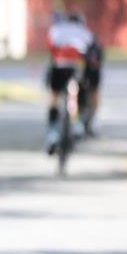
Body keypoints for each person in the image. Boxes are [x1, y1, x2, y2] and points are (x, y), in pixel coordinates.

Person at [44, 9, 94, 154]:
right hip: (75, 66)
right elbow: (90, 49)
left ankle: (52, 133)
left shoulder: (57, 29)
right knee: (75, 91)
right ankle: (77, 123)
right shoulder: (84, 31)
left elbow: (51, 47)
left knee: (54, 96)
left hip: (59, 65)